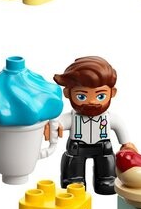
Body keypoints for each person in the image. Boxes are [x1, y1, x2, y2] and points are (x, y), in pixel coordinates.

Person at [50, 56, 132, 194]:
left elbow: (120, 126)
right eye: (81, 96)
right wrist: (53, 127)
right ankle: (73, 180)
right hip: (77, 147)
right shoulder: (72, 118)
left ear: (112, 93)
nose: (92, 102)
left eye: (100, 96)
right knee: (73, 162)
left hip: (103, 146)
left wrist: (126, 143)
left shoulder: (109, 118)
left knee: (107, 161)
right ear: (67, 93)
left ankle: (106, 178)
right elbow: (59, 123)